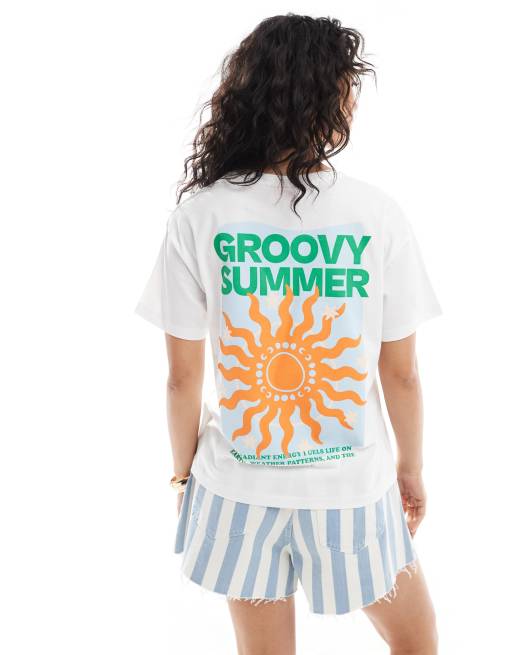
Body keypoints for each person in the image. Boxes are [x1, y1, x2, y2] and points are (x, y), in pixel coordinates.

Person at [134, 13, 442, 654]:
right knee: (416, 643)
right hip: (352, 493)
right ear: (324, 100)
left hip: (237, 491)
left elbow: (182, 378)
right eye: (347, 88)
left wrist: (183, 478)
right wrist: (410, 470)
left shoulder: (200, 216)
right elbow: (403, 373)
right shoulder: (376, 214)